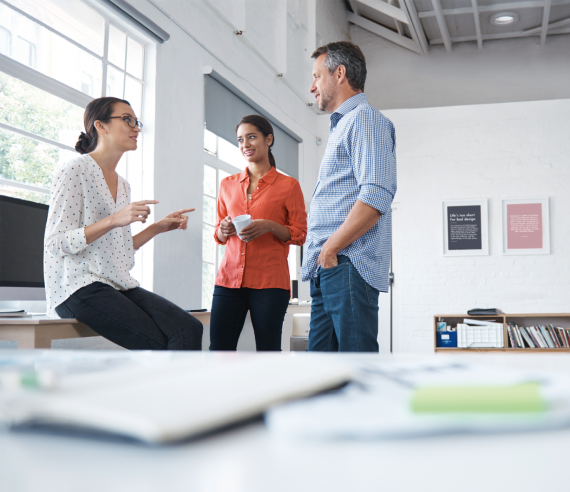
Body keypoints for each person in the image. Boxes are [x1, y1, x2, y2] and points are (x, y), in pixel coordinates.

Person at [44, 97, 202, 350]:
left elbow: (117, 248)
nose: (136, 128)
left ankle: (177, 389)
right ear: (101, 126)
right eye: (127, 120)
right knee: (160, 344)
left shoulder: (123, 185)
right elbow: (55, 243)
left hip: (115, 282)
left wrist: (157, 227)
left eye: (136, 122)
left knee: (190, 327)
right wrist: (115, 219)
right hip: (77, 287)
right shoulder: (74, 169)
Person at [302, 41, 397, 353]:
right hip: (329, 265)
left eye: (317, 76)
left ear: (339, 73)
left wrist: (330, 249)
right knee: (321, 373)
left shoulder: (365, 120)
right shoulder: (343, 125)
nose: (312, 86)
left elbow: (375, 197)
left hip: (345, 263)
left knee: (356, 370)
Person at [211, 115, 307, 351]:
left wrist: (269, 225)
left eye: (252, 137)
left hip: (270, 283)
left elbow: (300, 233)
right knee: (219, 350)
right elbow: (218, 234)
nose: (245, 145)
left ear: (269, 139)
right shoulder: (227, 184)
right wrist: (224, 229)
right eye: (240, 140)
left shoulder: (289, 186)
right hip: (229, 280)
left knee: (268, 351)